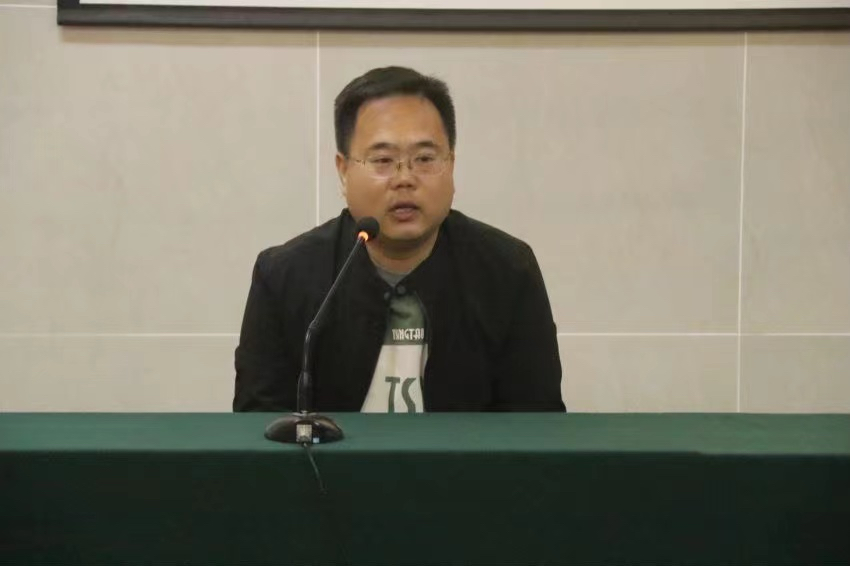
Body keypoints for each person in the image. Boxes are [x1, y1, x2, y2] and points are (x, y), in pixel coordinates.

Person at [233, 66, 564, 413]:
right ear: (343, 171)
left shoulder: (507, 273)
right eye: (383, 160)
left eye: (424, 159)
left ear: (451, 165)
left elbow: (537, 425)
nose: (405, 178)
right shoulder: (284, 277)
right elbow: (257, 427)